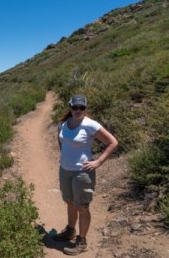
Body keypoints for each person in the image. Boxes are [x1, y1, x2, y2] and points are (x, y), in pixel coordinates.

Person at [53, 94, 118, 256]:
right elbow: (60, 137)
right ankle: (70, 231)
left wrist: (98, 162)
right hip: (65, 170)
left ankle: (81, 241)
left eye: (81, 108)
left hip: (82, 173)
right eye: (75, 107)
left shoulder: (90, 125)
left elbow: (112, 142)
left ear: (85, 109)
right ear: (70, 107)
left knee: (82, 206)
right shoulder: (63, 124)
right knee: (69, 202)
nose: (78, 110)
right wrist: (64, 154)